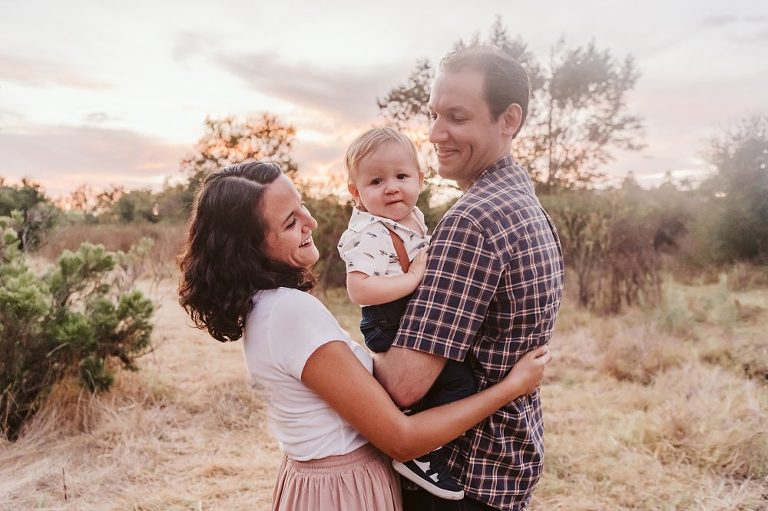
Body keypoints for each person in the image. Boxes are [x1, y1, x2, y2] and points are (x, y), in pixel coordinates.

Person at [177, 161, 552, 511]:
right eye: (290, 222)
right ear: (249, 250)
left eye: (302, 205)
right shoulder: (289, 313)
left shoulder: (268, 307)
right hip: (342, 491)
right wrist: (511, 387)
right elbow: (401, 439)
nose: (310, 221)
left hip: (326, 483)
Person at [374, 46, 565, 511]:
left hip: (460, 478)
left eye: (457, 117)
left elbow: (405, 385)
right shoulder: (526, 205)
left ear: (509, 120)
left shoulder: (473, 221)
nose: (437, 133)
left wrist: (325, 356)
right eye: (435, 115)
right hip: (507, 465)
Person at [338, 127, 476, 499]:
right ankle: (418, 449)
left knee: (457, 377)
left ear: (420, 178)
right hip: (387, 317)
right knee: (459, 383)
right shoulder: (369, 232)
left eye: (401, 176)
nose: (391, 187)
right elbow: (359, 289)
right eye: (376, 181)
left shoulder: (410, 216)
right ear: (357, 193)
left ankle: (422, 442)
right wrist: (415, 278)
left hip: (404, 312)